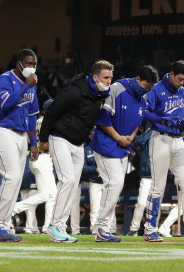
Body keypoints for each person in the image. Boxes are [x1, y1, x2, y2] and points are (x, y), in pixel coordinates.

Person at [38, 60, 113, 243]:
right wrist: (43, 139)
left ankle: (60, 226)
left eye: (111, 77)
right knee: (67, 179)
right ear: (95, 77)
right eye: (106, 77)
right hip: (59, 137)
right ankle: (54, 226)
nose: (109, 81)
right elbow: (51, 112)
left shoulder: (100, 94)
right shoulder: (74, 91)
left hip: (78, 143)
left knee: (72, 185)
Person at [141, 60, 184, 242]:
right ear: (171, 74)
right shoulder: (155, 89)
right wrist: (163, 120)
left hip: (178, 140)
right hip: (160, 139)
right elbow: (143, 112)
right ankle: (149, 228)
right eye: (180, 79)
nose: (182, 83)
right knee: (158, 186)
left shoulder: (181, 91)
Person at [90, 65, 159, 242]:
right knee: (115, 183)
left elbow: (139, 119)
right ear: (137, 79)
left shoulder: (141, 98)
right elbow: (103, 117)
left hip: (123, 147)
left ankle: (103, 229)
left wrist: (132, 135)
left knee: (115, 187)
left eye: (150, 88)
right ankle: (101, 227)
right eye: (145, 86)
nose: (147, 90)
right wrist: (118, 137)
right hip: (106, 143)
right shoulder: (117, 88)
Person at [0, 49, 40, 242]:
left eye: (34, 64)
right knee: (12, 176)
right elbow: (6, 104)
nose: (31, 67)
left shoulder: (32, 83)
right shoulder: (5, 79)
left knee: (16, 182)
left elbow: (32, 115)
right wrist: (26, 86)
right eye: (28, 63)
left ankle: (2, 225)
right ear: (18, 63)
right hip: (2, 131)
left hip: (20, 135)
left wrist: (33, 143)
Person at [12, 99, 57, 234]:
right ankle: (14, 208)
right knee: (45, 195)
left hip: (35, 158)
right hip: (43, 157)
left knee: (52, 196)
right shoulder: (49, 122)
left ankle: (48, 226)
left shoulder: (34, 121)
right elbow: (47, 144)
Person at [127, 128, 153, 236]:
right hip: (147, 174)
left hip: (159, 174)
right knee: (141, 203)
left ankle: (151, 229)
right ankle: (134, 228)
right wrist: (153, 130)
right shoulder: (150, 131)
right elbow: (138, 140)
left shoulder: (166, 134)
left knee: (154, 205)